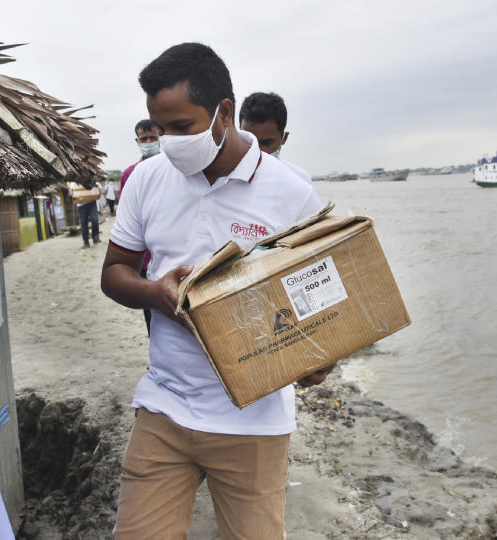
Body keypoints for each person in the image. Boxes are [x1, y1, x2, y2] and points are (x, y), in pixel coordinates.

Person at [101, 43, 334, 539]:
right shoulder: (145, 180)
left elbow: (324, 295)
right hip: (164, 407)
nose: (168, 141)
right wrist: (155, 293)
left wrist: (321, 356)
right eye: (159, 128)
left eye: (181, 127)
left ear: (224, 113)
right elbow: (115, 271)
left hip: (254, 422)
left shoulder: (291, 192)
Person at [120, 119, 162, 335]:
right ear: (137, 141)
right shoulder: (130, 174)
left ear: (160, 137)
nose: (148, 142)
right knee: (151, 311)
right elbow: (127, 219)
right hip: (145, 256)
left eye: (152, 138)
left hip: (171, 250)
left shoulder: (174, 167)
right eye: (144, 139)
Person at [239, 91, 312, 183]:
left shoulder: (300, 181)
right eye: (249, 141)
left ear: (284, 138)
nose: (256, 151)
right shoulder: (222, 180)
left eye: (266, 143)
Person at [69, 181, 100, 248]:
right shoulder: (73, 182)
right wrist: (72, 195)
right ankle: (86, 242)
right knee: (83, 223)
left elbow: (97, 189)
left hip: (92, 202)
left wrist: (97, 191)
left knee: (94, 219)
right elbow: (71, 193)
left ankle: (95, 236)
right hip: (81, 205)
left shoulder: (90, 178)